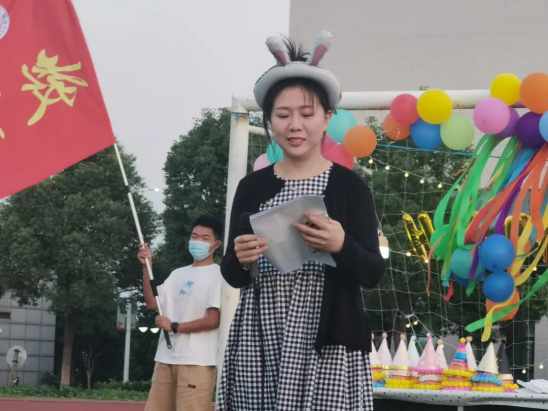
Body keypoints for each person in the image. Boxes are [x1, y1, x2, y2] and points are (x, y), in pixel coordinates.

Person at [216, 32, 385, 411]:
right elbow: (232, 274)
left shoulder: (349, 187)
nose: (295, 125)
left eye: (307, 114)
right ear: (269, 120)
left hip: (329, 343)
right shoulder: (251, 186)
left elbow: (373, 272)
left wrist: (341, 245)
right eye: (283, 115)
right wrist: (240, 258)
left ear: (327, 118)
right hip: (260, 338)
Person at [138, 214, 224, 411]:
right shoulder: (177, 274)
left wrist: (174, 326)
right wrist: (147, 266)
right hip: (165, 359)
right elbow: (152, 303)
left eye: (205, 238)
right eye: (194, 236)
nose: (198, 241)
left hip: (197, 362)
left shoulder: (219, 275)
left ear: (216, 244)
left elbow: (213, 320)